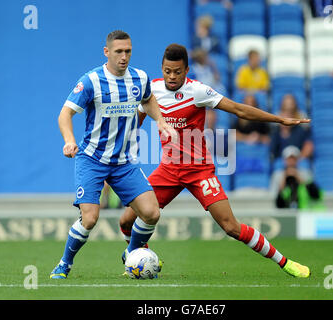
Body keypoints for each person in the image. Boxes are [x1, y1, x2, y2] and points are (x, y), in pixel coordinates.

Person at [119, 43, 312, 278]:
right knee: (126, 221)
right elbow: (135, 123)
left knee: (230, 226)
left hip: (199, 171)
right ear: (162, 68)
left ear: (187, 70)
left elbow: (239, 110)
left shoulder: (198, 91)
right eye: (167, 71)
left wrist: (279, 120)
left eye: (177, 72)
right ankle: (142, 257)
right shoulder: (152, 91)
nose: (171, 76)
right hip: (168, 170)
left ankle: (285, 262)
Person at [50, 30, 176, 279]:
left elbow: (149, 99)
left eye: (128, 51)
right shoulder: (91, 81)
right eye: (118, 51)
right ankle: (65, 263)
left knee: (152, 213)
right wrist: (69, 141)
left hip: (125, 163)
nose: (124, 56)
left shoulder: (140, 78)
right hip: (92, 160)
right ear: (106, 52)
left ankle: (131, 253)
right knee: (90, 219)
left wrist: (160, 120)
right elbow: (65, 114)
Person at [270, 94, 314, 161]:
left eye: (290, 113)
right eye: (284, 114)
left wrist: (296, 161)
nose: (287, 117)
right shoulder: (275, 131)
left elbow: (309, 146)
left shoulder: (301, 130)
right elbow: (272, 151)